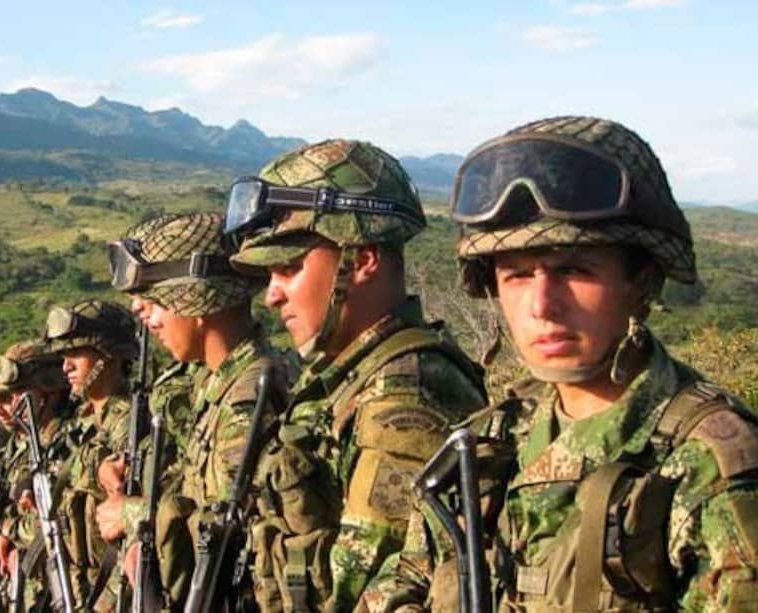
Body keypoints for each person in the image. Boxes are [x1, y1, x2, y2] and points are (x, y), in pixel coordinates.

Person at [362, 115, 758, 611]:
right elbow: (402, 586)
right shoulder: (486, 444)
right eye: (518, 275)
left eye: (574, 270)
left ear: (641, 281)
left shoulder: (710, 470)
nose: (541, 305)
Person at [225, 138, 487, 610]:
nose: (272, 296)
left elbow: (356, 590)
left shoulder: (402, 399)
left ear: (362, 260)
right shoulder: (348, 376)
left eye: (289, 269)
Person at [95, 211, 295, 609]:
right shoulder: (211, 382)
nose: (143, 312)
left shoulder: (250, 398)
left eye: (156, 297)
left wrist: (133, 514)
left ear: (197, 299)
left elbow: (233, 531)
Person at [42, 298, 138, 609]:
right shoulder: (81, 426)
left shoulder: (130, 422)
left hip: (114, 593)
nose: (65, 366)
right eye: (63, 356)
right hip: (81, 589)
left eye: (75, 354)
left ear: (107, 355)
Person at [0, 338, 73, 610]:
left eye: (9, 396)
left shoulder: (69, 441)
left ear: (48, 388)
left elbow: (57, 521)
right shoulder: (21, 449)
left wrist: (7, 531)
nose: (0, 410)